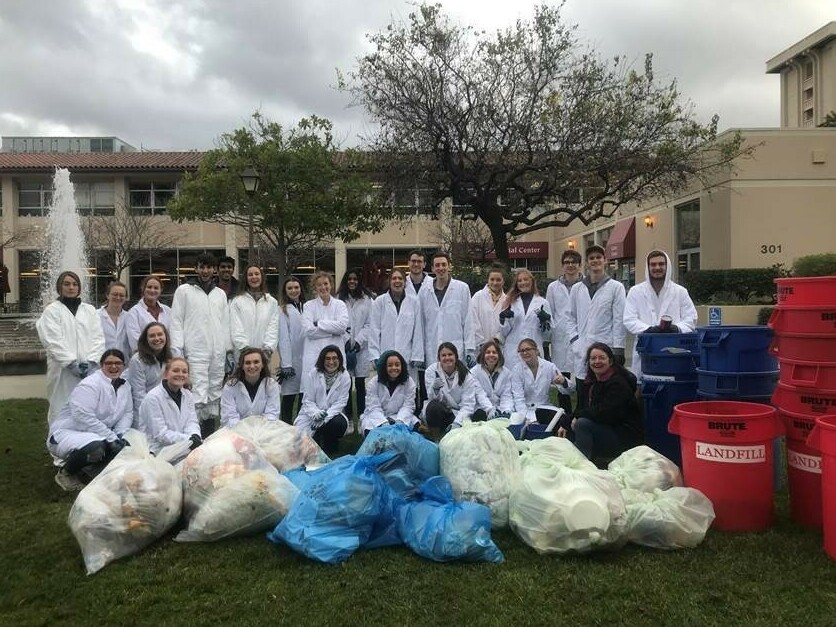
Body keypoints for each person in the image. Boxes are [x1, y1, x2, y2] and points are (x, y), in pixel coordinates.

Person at [47, 349, 132, 491]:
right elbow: (82, 417)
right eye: (109, 363)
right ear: (101, 365)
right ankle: (66, 474)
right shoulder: (90, 385)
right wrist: (111, 437)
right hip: (69, 432)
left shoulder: (125, 386)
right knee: (97, 448)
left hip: (97, 433)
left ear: (123, 365)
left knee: (125, 447)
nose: (113, 366)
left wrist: (120, 434)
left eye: (118, 363)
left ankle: (88, 473)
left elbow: (127, 413)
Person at [170, 253, 231, 437]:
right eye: (201, 267)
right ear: (196, 269)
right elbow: (176, 322)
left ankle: (210, 438)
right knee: (196, 395)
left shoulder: (219, 294)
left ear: (214, 270)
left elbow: (225, 323)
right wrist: (178, 352)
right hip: (194, 352)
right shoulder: (184, 291)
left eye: (209, 267)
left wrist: (227, 350)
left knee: (214, 394)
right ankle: (193, 438)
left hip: (217, 353)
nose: (205, 271)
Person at [36, 270, 105, 422]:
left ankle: (85, 439)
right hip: (62, 370)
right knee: (61, 405)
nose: (71, 287)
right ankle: (58, 439)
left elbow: (98, 338)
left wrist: (92, 361)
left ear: (79, 288)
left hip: (88, 369)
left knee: (87, 404)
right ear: (59, 287)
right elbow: (52, 341)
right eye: (66, 284)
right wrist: (70, 363)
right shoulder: (52, 311)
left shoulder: (89, 310)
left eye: (74, 284)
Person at [557, 342, 642, 463]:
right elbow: (581, 407)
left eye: (602, 358)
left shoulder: (618, 383)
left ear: (611, 361)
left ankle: (582, 464)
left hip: (623, 435)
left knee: (582, 424)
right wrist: (565, 423)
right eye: (593, 358)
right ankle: (581, 456)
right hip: (605, 429)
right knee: (569, 426)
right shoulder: (591, 381)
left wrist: (577, 417)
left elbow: (606, 413)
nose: (597, 361)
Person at [566, 245, 626, 411]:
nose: (595, 261)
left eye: (599, 257)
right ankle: (580, 427)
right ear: (586, 263)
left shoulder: (615, 287)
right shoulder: (577, 289)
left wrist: (618, 349)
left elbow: (619, 320)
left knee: (604, 393)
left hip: (605, 348)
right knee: (583, 393)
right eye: (591, 258)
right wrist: (575, 341)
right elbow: (570, 317)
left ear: (605, 260)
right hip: (582, 348)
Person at [623, 250, 698, 379]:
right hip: (645, 348)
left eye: (661, 264)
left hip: (673, 348)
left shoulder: (680, 292)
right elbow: (629, 319)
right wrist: (649, 329)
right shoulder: (636, 292)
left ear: (667, 266)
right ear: (648, 267)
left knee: (671, 384)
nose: (657, 268)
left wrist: (677, 328)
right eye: (653, 264)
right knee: (645, 387)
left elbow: (691, 318)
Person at [368, 268, 424, 383]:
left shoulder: (414, 302)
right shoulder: (380, 302)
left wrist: (416, 356)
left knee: (408, 391)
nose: (397, 281)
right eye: (394, 278)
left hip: (407, 357)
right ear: (389, 281)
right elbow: (374, 330)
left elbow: (418, 330)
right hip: (385, 355)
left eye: (400, 278)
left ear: (405, 282)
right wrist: (374, 355)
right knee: (386, 391)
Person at [419, 251, 474, 368]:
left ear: (449, 266)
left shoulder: (462, 288)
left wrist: (469, 349)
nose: (441, 268)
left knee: (456, 383)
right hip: (432, 349)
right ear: (432, 269)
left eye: (444, 264)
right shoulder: (424, 291)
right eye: (437, 265)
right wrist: (419, 352)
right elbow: (421, 324)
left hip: (456, 348)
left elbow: (468, 320)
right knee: (435, 384)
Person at [546, 249, 583, 416]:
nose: (570, 265)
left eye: (573, 262)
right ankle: (565, 414)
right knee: (561, 376)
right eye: (567, 262)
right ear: (562, 266)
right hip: (560, 337)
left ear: (579, 265)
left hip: (580, 335)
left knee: (582, 374)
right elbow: (550, 312)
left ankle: (581, 411)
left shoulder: (585, 285)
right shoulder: (553, 287)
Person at [139, 356, 202, 456]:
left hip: (181, 447)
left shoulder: (188, 395)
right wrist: (188, 439)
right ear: (166, 374)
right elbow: (160, 434)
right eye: (176, 371)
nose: (180, 374)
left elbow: (191, 421)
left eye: (184, 371)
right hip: (156, 452)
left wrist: (195, 435)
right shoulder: (153, 398)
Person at [295, 345, 351, 457]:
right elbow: (308, 400)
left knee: (338, 424)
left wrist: (324, 418)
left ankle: (329, 440)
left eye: (335, 358)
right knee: (300, 447)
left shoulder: (345, 376)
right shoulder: (313, 374)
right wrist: (315, 413)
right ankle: (316, 437)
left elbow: (341, 403)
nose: (331, 362)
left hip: (333, 415)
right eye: (327, 358)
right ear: (322, 360)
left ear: (339, 360)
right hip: (310, 414)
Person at [336, 269, 375, 429]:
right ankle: (349, 419)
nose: (352, 282)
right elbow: (337, 321)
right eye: (349, 279)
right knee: (345, 384)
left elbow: (370, 323)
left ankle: (361, 417)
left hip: (361, 348)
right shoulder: (338, 300)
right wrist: (345, 340)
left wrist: (358, 341)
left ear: (359, 281)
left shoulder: (367, 300)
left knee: (360, 384)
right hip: (343, 347)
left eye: (355, 279)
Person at [301, 271, 349, 392]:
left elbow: (342, 327)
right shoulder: (308, 306)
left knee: (336, 391)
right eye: (319, 285)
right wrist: (332, 331)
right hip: (314, 355)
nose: (323, 287)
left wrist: (319, 323)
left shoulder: (340, 305)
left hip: (335, 354)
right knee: (314, 392)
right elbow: (309, 331)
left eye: (326, 283)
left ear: (331, 285)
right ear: (315, 287)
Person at [497, 268, 551, 371]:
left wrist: (544, 322)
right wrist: (503, 319)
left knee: (533, 381)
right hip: (513, 350)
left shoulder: (542, 303)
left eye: (526, 279)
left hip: (534, 349)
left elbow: (547, 336)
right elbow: (503, 333)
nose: (523, 283)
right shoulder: (510, 302)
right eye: (520, 280)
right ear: (516, 284)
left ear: (532, 281)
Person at [511, 338, 572, 426]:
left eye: (528, 349)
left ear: (536, 350)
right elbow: (518, 399)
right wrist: (527, 418)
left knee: (563, 420)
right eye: (521, 351)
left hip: (544, 407)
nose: (524, 353)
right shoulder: (517, 370)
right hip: (524, 409)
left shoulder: (549, 366)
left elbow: (569, 390)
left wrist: (563, 381)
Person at [422, 342, 479, 435]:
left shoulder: (466, 375)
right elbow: (431, 399)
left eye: (450, 354)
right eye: (443, 355)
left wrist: (457, 423)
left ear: (456, 356)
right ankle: (434, 435)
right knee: (434, 408)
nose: (447, 358)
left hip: (457, 413)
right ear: (439, 358)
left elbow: (468, 404)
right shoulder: (431, 371)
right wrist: (435, 389)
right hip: (438, 411)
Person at [359, 350, 418, 434]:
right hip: (376, 418)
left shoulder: (409, 382)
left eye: (397, 365)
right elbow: (373, 407)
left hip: (399, 416)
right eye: (390, 365)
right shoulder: (373, 383)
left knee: (415, 426)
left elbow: (408, 406)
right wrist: (384, 423)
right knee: (372, 432)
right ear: (384, 367)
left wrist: (400, 421)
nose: (394, 368)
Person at [230, 264, 279, 362]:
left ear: (262, 277)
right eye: (250, 275)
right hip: (242, 356)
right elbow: (235, 327)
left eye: (257, 274)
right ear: (246, 278)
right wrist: (245, 349)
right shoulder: (237, 301)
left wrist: (267, 350)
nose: (254, 277)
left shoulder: (272, 302)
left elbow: (273, 328)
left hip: (263, 357)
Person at [221, 347, 281, 427]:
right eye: (248, 363)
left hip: (264, 431)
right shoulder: (230, 386)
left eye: (256, 362)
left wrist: (257, 432)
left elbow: (272, 415)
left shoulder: (271, 385)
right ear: (242, 366)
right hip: (235, 432)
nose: (252, 366)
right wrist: (245, 432)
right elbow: (229, 418)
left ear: (262, 364)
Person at [127, 321, 172, 423]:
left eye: (160, 334)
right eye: (152, 336)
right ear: (146, 340)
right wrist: (148, 420)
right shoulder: (137, 360)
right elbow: (138, 395)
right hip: (144, 413)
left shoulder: (171, 356)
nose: (157, 338)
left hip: (165, 410)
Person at [277, 276, 305, 423]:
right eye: (290, 288)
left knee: (304, 395)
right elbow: (283, 338)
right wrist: (286, 364)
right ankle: (286, 426)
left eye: (296, 287)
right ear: (285, 291)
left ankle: (301, 427)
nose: (294, 291)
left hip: (307, 359)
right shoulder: (282, 310)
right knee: (288, 396)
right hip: (292, 361)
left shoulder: (307, 307)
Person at [125, 275, 174, 355]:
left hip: (165, 358)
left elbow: (172, 335)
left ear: (160, 290)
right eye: (149, 287)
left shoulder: (168, 311)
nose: (152, 290)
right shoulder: (134, 312)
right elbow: (135, 342)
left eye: (156, 288)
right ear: (143, 289)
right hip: (144, 358)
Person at [470, 339, 514, 421]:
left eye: (494, 352)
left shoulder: (507, 373)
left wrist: (506, 411)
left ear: (499, 355)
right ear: (483, 355)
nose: (491, 355)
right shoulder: (474, 372)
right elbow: (480, 395)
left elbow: (507, 396)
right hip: (481, 409)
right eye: (488, 352)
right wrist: (490, 409)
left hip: (499, 409)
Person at [469, 266, 506, 353]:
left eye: (498, 280)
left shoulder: (507, 300)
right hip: (480, 347)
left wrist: (497, 339)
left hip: (499, 347)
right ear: (488, 280)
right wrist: (482, 342)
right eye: (492, 279)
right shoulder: (478, 297)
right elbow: (472, 320)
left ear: (503, 281)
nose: (495, 282)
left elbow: (508, 324)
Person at [96, 280, 131, 358]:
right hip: (100, 365)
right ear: (107, 295)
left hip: (123, 365)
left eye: (121, 295)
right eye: (115, 294)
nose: (118, 297)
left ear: (126, 298)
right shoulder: (95, 315)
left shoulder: (130, 317)